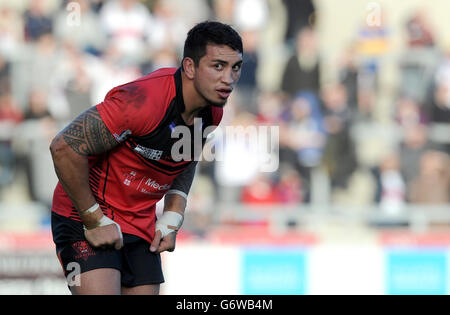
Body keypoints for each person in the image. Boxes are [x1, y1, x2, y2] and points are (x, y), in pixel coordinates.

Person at [49, 21, 243, 295]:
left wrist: (174, 214)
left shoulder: (213, 111)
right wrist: (93, 218)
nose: (229, 79)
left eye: (235, 67)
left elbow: (185, 157)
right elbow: (63, 147)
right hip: (84, 214)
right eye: (218, 66)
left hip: (139, 222)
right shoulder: (143, 101)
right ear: (189, 67)